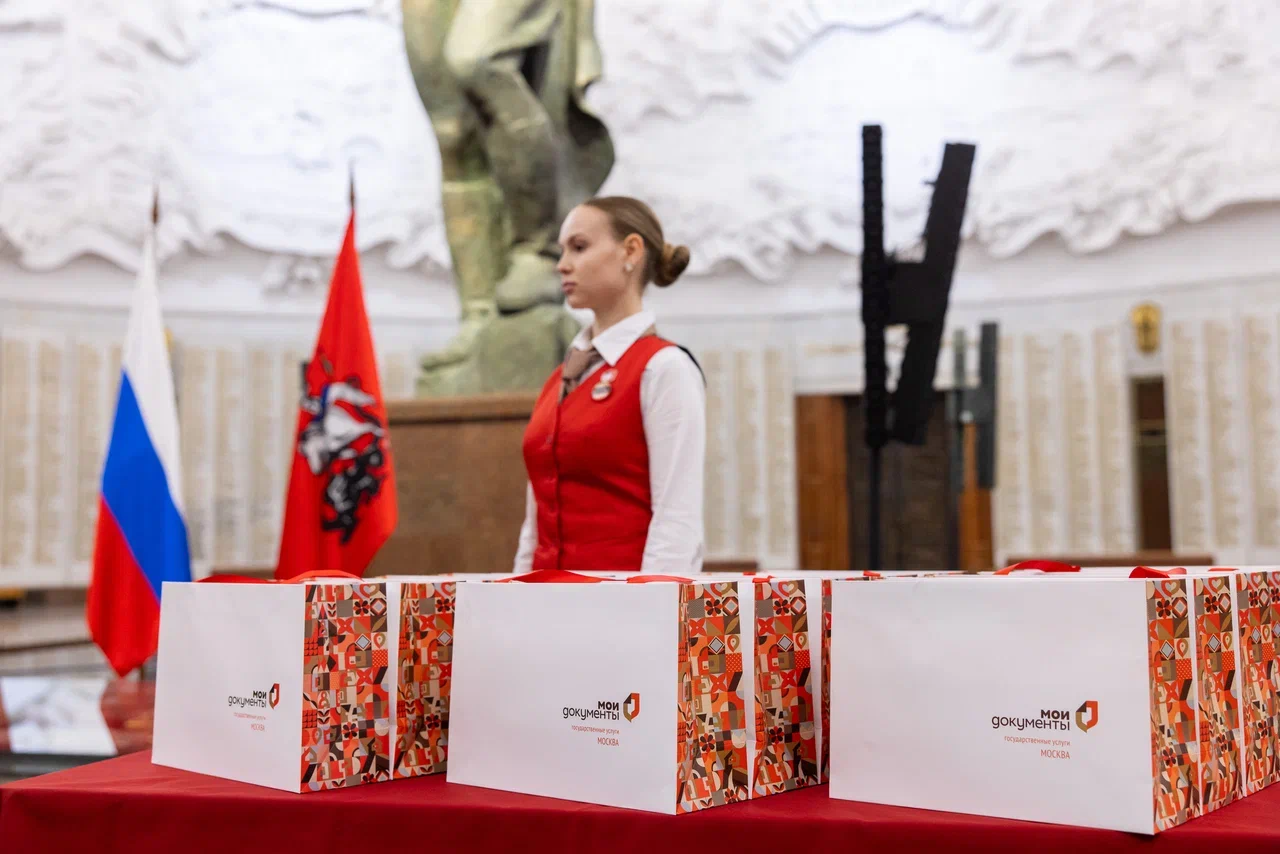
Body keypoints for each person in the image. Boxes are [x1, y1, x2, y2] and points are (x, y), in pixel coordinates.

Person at [513, 197, 706, 574]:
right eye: (562, 250)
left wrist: (652, 603)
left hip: (621, 602)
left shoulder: (664, 368)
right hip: (543, 599)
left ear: (630, 251)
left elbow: (677, 520)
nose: (562, 264)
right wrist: (516, 591)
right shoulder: (561, 377)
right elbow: (533, 528)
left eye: (579, 247)